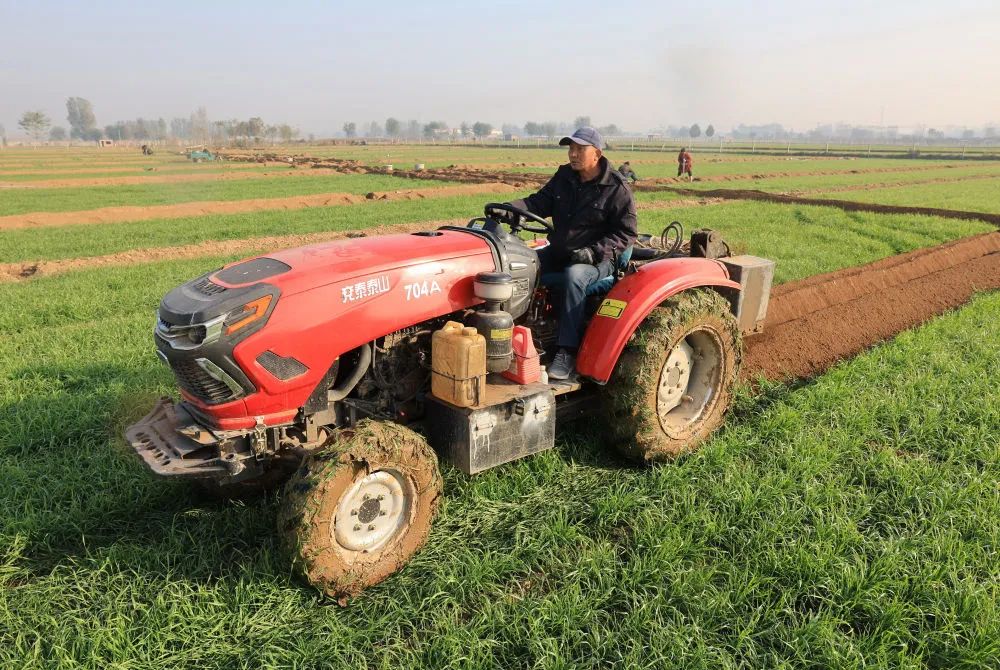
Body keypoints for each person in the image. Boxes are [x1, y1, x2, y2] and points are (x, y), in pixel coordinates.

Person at [504, 127, 637, 380]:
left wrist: (593, 252)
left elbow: (626, 234)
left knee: (574, 277)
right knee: (516, 267)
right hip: (560, 251)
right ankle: (510, 336)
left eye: (579, 149)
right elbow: (538, 202)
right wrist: (511, 209)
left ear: (596, 154)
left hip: (599, 261)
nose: (572, 154)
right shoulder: (564, 176)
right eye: (570, 149)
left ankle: (566, 351)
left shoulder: (617, 188)